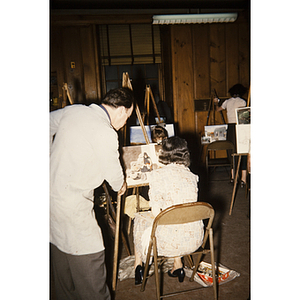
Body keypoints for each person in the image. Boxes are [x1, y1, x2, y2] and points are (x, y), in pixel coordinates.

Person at [50, 87, 134, 300]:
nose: (125, 123)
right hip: (72, 204)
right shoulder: (106, 131)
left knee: (61, 255)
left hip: (49, 195)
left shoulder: (74, 111)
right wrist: (121, 185)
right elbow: (113, 173)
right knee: (91, 257)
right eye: (128, 117)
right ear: (122, 110)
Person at [133, 136, 204, 285]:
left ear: (163, 153)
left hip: (166, 243)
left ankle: (138, 266)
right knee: (177, 215)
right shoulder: (192, 176)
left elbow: (156, 212)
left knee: (140, 217)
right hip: (194, 239)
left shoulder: (157, 176)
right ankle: (178, 265)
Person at [214, 83, 248, 187]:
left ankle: (233, 178)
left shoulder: (227, 102)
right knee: (242, 150)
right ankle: (243, 179)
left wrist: (216, 103)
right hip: (241, 127)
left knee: (231, 151)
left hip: (231, 128)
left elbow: (217, 109)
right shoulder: (243, 101)